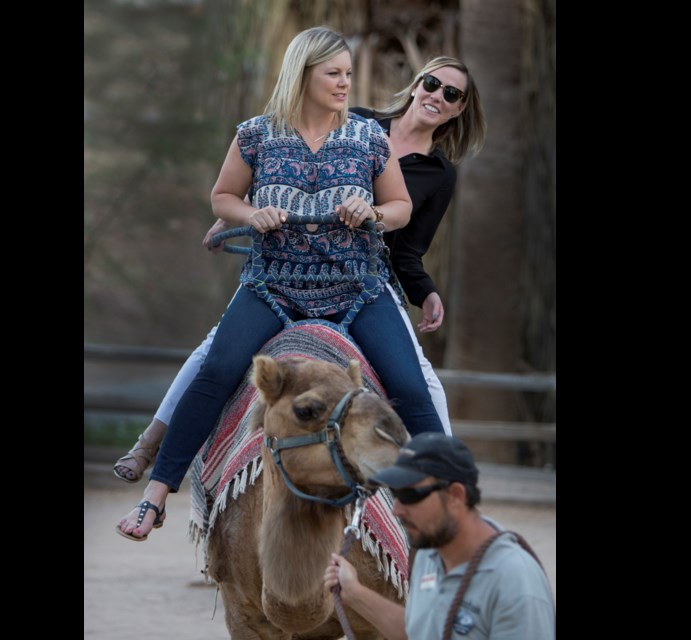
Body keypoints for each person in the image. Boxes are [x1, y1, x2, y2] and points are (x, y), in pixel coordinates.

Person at [116, 26, 445, 541]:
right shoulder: (256, 133)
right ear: (303, 74)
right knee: (219, 367)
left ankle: (445, 504)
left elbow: (401, 208)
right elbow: (222, 197)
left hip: (358, 286)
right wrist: (252, 211)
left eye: (348, 75)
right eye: (333, 74)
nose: (344, 84)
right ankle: (155, 496)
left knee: (408, 385)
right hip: (273, 284)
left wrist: (373, 210)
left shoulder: (367, 138)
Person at [324, 433, 555, 639]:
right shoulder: (430, 553)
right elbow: (417, 632)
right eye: (395, 494)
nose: (396, 509)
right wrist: (354, 593)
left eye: (410, 494)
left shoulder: (515, 582)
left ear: (455, 495)